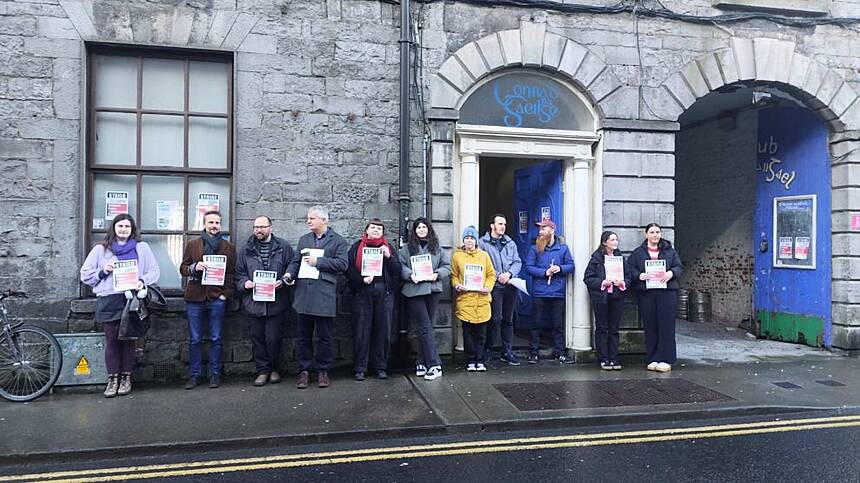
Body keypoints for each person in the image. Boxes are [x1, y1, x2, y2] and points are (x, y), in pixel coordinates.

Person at [80, 214, 159, 398]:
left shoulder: (142, 248)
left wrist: (141, 281)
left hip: (131, 299)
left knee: (129, 340)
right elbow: (85, 274)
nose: (123, 229)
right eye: (120, 226)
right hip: (109, 299)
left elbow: (153, 271)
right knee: (112, 341)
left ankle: (126, 378)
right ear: (113, 228)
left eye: (127, 226)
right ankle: (112, 380)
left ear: (132, 229)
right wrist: (103, 271)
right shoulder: (101, 250)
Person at [285, 206, 348, 389]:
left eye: (312, 218)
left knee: (325, 337)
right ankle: (304, 370)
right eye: (308, 218)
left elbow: (343, 264)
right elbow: (295, 262)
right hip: (303, 293)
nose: (308, 221)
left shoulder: (338, 241)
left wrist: (318, 262)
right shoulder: (304, 240)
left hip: (324, 295)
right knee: (303, 336)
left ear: (324, 220)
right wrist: (289, 275)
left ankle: (323, 370)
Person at [235, 216, 295, 387]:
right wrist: (244, 283)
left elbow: (292, 266)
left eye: (262, 226)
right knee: (257, 338)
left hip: (277, 302)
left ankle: (275, 369)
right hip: (254, 303)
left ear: (271, 227)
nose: (258, 230)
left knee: (273, 338)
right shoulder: (246, 249)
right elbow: (239, 273)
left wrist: (284, 280)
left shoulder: (283, 247)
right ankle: (262, 370)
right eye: (256, 227)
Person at [179, 211, 236, 389]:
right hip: (195, 298)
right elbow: (183, 268)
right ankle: (195, 375)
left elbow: (232, 273)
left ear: (220, 225)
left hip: (216, 298)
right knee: (195, 339)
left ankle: (214, 374)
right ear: (204, 224)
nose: (214, 225)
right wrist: (194, 267)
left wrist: (224, 294)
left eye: (217, 223)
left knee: (216, 338)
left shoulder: (228, 247)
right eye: (210, 222)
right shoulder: (193, 245)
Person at [345, 218, 402, 381]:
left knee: (383, 331)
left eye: (379, 228)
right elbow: (347, 268)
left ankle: (381, 366)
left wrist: (388, 256)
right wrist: (361, 280)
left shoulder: (388, 247)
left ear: (383, 232)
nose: (376, 230)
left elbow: (397, 270)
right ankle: (360, 368)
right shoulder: (357, 246)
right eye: (373, 228)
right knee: (362, 331)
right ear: (367, 230)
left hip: (384, 294)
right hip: (363, 293)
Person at [399, 217, 450, 381]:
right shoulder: (407, 248)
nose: (421, 230)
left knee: (425, 327)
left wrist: (437, 274)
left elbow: (446, 266)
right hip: (414, 290)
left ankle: (422, 361)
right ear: (414, 231)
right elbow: (400, 265)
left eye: (424, 227)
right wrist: (409, 275)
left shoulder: (437, 247)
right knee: (425, 326)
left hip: (433, 290)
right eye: (418, 227)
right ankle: (434, 364)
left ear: (429, 229)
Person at [627, 223, 683, 373]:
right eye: (652, 232)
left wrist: (671, 273)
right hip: (647, 293)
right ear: (646, 235)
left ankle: (667, 359)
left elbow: (679, 267)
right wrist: (639, 275)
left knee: (666, 326)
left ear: (661, 234)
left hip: (667, 293)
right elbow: (630, 269)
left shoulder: (670, 251)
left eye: (657, 232)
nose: (655, 235)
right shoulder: (638, 253)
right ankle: (652, 358)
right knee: (650, 326)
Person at [524, 219, 575, 364]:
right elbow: (528, 267)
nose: (540, 231)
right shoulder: (534, 248)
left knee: (558, 324)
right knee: (536, 324)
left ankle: (559, 352)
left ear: (552, 230)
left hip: (557, 291)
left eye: (543, 228)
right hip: (539, 291)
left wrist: (560, 268)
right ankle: (533, 353)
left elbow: (571, 266)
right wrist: (544, 272)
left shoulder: (563, 249)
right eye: (540, 229)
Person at [478, 214, 522, 366]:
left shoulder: (510, 243)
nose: (503, 226)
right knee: (495, 319)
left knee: (508, 319)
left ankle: (507, 351)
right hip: (495, 286)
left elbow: (517, 261)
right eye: (500, 223)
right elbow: (481, 263)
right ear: (492, 226)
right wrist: (498, 276)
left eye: (504, 224)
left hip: (510, 285)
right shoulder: (482, 243)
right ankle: (488, 348)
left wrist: (509, 274)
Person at [451, 226, 496, 372]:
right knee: (468, 333)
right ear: (463, 240)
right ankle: (471, 359)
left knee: (481, 334)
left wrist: (488, 287)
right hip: (466, 300)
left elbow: (491, 275)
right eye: (467, 238)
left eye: (472, 238)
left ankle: (480, 360)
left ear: (476, 240)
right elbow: (454, 275)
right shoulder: (457, 256)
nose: (469, 240)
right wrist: (457, 285)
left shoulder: (484, 256)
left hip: (482, 300)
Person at [583, 231, 630, 371]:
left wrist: (622, 283)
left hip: (617, 297)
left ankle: (614, 358)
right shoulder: (596, 259)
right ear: (605, 242)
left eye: (616, 239)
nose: (615, 242)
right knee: (602, 328)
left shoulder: (620, 258)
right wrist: (603, 282)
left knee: (614, 329)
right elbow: (588, 278)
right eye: (612, 240)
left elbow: (629, 277)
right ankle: (604, 358)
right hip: (601, 298)